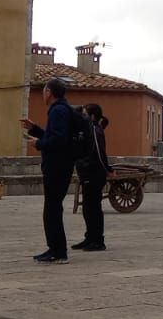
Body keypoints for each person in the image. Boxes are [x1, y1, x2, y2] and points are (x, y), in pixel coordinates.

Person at [20, 78, 75, 262]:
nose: (43, 94)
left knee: (52, 209)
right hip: (61, 165)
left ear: (49, 92)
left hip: (57, 167)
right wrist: (34, 129)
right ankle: (56, 249)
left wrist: (39, 144)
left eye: (44, 91)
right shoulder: (62, 109)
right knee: (53, 208)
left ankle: (58, 251)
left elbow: (58, 140)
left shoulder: (58, 111)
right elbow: (55, 136)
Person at [72, 103, 110, 252]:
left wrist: (107, 169)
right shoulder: (90, 129)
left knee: (93, 207)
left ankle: (98, 240)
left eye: (85, 114)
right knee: (88, 207)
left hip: (94, 173)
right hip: (88, 172)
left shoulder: (94, 129)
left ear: (92, 116)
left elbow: (100, 153)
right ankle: (90, 238)